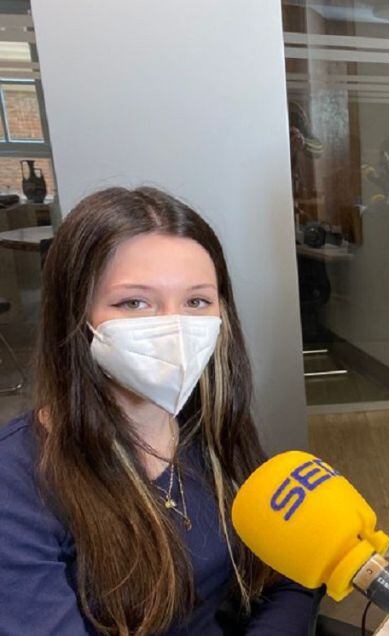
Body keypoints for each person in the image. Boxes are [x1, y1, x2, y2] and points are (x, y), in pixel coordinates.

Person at [0, 188, 319, 633]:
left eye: (197, 302)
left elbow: (287, 578)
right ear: (75, 314)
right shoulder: (16, 481)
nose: (175, 327)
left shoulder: (210, 430)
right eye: (134, 302)